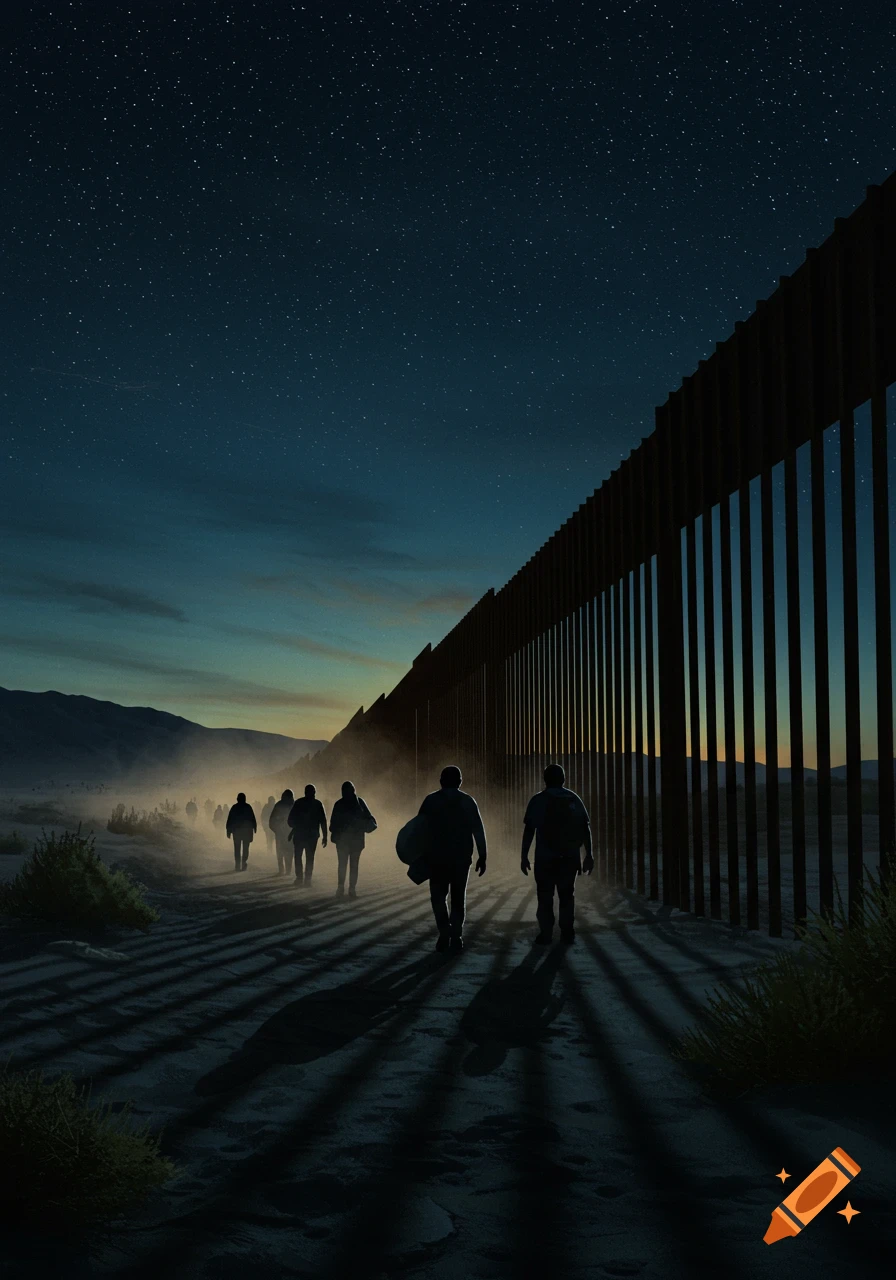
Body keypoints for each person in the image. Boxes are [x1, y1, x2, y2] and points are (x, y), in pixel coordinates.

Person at [521, 763, 594, 944]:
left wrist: (524, 856)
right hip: (569, 857)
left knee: (545, 896)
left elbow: (529, 830)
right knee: (567, 895)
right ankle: (567, 931)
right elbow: (585, 828)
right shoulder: (573, 798)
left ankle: (546, 933)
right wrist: (589, 854)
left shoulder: (538, 800)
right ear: (563, 779)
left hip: (545, 858)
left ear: (544, 779)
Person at [417, 765, 487, 953]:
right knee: (458, 897)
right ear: (460, 781)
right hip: (461, 858)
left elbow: (419, 829)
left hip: (436, 858)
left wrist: (417, 854)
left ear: (441, 781)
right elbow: (478, 830)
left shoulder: (431, 801)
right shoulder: (467, 801)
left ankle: (443, 933)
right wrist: (483, 855)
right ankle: (456, 936)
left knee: (438, 897)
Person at [329, 780, 375, 899]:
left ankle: (340, 888)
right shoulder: (360, 802)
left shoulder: (338, 804)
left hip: (342, 841)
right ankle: (352, 889)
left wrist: (336, 831)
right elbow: (370, 818)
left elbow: (332, 824)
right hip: (357, 841)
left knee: (342, 865)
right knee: (354, 865)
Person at [287, 784, 328, 886]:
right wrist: (325, 836)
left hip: (300, 835)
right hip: (312, 836)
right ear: (314, 792)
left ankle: (300, 878)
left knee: (298, 856)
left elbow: (290, 820)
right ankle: (307, 879)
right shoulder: (318, 804)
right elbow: (323, 821)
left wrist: (294, 828)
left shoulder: (298, 803)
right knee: (309, 858)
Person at [226, 792, 257, 872]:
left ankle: (237, 865)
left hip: (237, 832)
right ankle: (243, 863)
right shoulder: (248, 807)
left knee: (237, 848)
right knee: (245, 848)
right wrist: (254, 828)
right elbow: (252, 819)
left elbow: (230, 820)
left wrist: (228, 831)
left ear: (237, 799)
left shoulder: (234, 807)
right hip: (246, 832)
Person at [269, 789, 295, 875]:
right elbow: (272, 821)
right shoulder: (293, 805)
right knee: (287, 852)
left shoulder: (279, 805)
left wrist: (276, 830)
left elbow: (271, 821)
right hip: (288, 833)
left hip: (286, 833)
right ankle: (286, 870)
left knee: (283, 852)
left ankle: (283, 870)